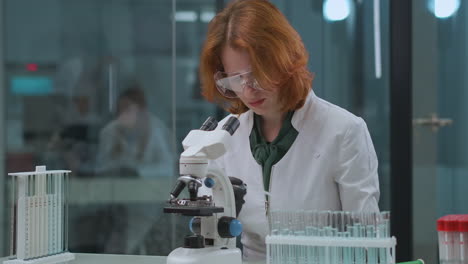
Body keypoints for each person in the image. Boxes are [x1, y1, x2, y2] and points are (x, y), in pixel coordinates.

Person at [199, 0, 380, 261]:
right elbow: (211, 231)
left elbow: (367, 242)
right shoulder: (225, 137)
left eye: (257, 74)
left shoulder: (344, 131)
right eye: (236, 79)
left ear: (285, 61)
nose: (248, 90)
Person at [96, 84, 173, 178]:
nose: (122, 115)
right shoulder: (109, 132)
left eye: (127, 109)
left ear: (141, 111)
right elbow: (100, 168)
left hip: (151, 187)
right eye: (120, 110)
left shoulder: (157, 130)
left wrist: (138, 173)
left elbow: (168, 168)